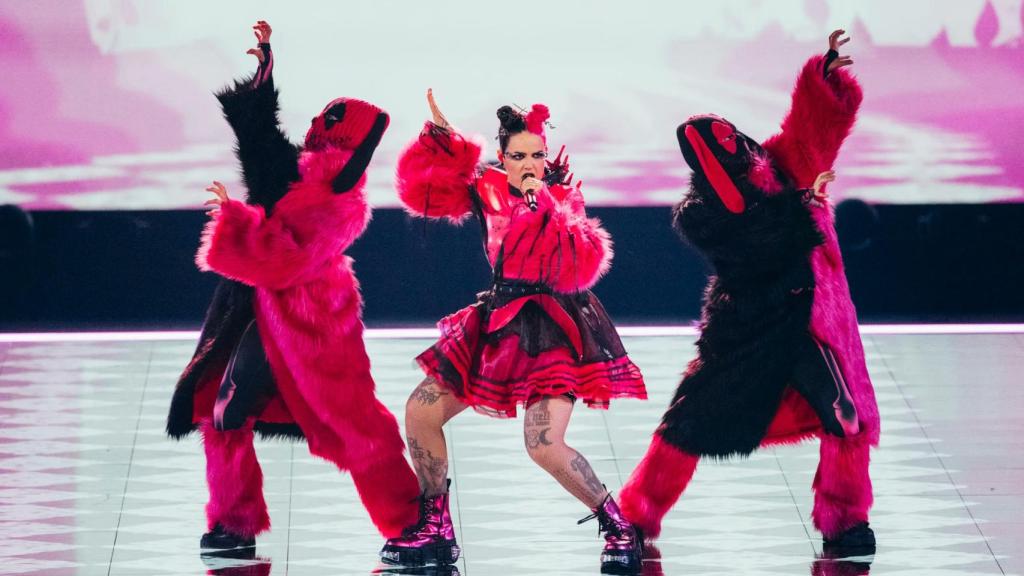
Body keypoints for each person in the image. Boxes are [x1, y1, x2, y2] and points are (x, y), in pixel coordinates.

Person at [618, 30, 879, 555]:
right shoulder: (710, 214)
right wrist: (799, 203)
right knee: (688, 424)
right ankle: (635, 517)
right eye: (722, 142)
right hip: (747, 330)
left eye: (732, 134)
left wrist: (821, 81)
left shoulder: (779, 167)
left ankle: (845, 523)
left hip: (804, 323)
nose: (736, 140)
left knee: (846, 416)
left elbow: (810, 135)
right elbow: (763, 239)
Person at [167, 20, 420, 551]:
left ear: (344, 142)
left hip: (310, 317)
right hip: (257, 308)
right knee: (223, 410)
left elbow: (285, 261)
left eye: (329, 123)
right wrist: (264, 74)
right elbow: (261, 145)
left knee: (354, 424)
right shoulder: (300, 172)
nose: (314, 125)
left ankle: (412, 528)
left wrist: (237, 220)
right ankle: (233, 522)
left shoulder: (339, 202)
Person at [379, 94, 647, 574]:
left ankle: (619, 526)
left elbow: (581, 265)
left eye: (537, 155)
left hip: (555, 324)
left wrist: (540, 200)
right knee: (421, 412)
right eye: (518, 156)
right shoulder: (485, 187)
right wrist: (445, 145)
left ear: (547, 156)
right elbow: (427, 192)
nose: (530, 164)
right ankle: (437, 527)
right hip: (499, 320)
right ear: (502, 158)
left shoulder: (563, 195)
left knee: (543, 443)